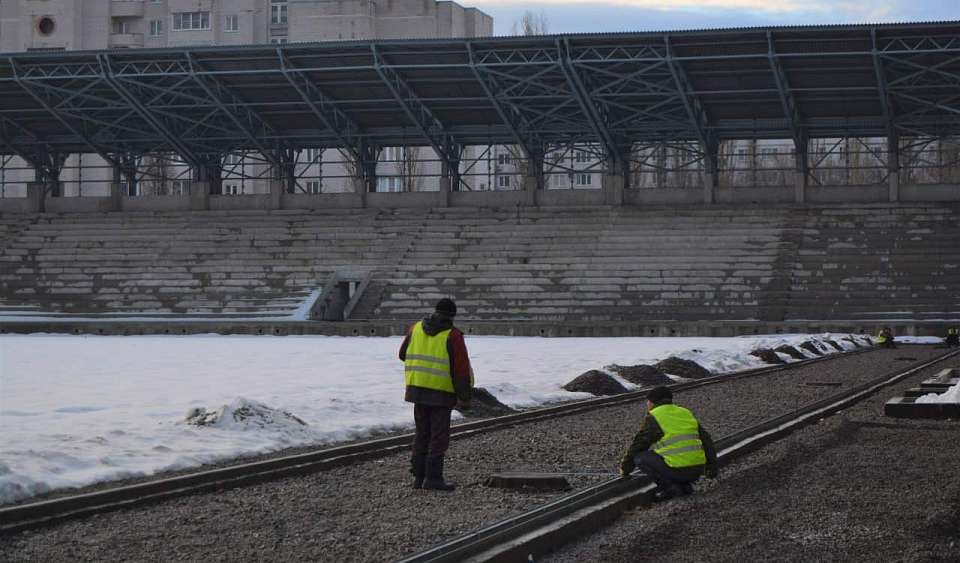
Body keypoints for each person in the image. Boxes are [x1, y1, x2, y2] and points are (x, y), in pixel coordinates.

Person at [399, 298, 473, 491]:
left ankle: (418, 476)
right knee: (438, 436)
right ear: (452, 316)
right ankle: (433, 478)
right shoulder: (453, 336)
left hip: (417, 389)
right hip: (441, 393)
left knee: (422, 433)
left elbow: (402, 354)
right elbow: (461, 370)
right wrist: (464, 397)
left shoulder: (415, 328)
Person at [619, 386, 718, 501]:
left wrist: (625, 469)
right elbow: (707, 440)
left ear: (652, 402)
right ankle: (684, 486)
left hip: (678, 471)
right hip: (698, 470)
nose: (647, 404)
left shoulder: (655, 416)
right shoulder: (684, 412)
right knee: (664, 455)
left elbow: (638, 445)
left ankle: (670, 488)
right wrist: (711, 468)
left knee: (640, 457)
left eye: (648, 401)